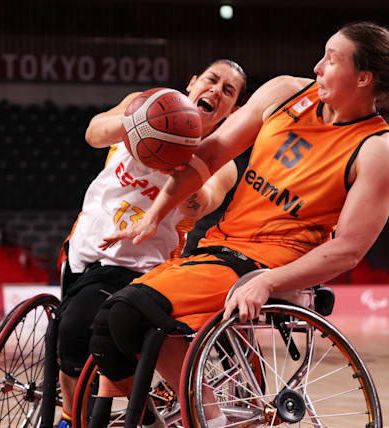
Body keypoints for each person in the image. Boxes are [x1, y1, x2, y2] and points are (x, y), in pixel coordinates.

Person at [93, 21, 389, 427]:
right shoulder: (285, 92)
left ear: (363, 78)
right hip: (220, 246)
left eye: (331, 60)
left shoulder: (377, 151)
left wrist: (269, 281)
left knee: (126, 314)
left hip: (272, 261)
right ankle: (173, 415)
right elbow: (210, 154)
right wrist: (155, 215)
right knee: (111, 326)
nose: (317, 67)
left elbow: (349, 249)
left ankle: (209, 418)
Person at [54, 59, 247, 428]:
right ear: (192, 83)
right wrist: (140, 123)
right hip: (86, 245)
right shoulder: (143, 103)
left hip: (142, 266)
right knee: (69, 336)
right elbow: (94, 133)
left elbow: (201, 203)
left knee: (77, 328)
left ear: (233, 111)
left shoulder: (221, 160)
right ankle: (98, 413)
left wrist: (180, 162)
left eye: (228, 91)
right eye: (211, 80)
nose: (215, 91)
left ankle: (82, 419)